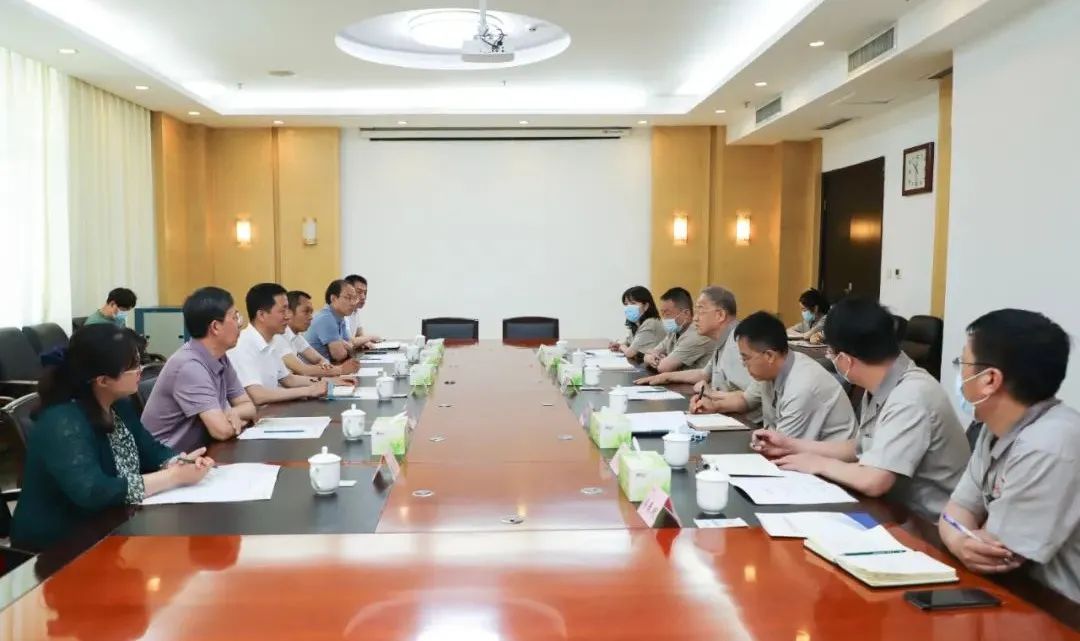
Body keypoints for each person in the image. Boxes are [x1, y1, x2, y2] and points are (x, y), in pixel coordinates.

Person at [751, 297, 969, 520]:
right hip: (891, 511)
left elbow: (874, 480)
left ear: (846, 360)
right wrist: (790, 445)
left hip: (927, 526)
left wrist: (819, 464)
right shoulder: (881, 384)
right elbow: (860, 447)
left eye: (830, 353)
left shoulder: (911, 395)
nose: (830, 358)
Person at [10, 324, 213, 551]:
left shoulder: (119, 404)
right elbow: (92, 491)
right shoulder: (62, 421)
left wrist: (178, 462)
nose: (140, 370)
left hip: (116, 522)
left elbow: (151, 450)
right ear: (102, 380)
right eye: (133, 366)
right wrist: (172, 477)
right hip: (60, 543)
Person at [939, 309, 1080, 603]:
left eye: (963, 363)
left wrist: (961, 538)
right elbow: (955, 512)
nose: (960, 373)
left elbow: (996, 555)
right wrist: (959, 542)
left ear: (990, 379)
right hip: (1018, 594)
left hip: (1060, 609)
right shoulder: (993, 426)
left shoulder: (1049, 444)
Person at [142, 287, 257, 452]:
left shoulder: (220, 357)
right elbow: (221, 431)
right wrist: (239, 418)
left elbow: (249, 406)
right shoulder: (189, 366)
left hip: (200, 452)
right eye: (235, 317)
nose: (240, 323)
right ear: (215, 327)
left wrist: (234, 413)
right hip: (169, 459)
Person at [727, 311, 855, 441]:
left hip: (829, 452)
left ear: (769, 356)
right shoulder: (771, 371)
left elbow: (780, 446)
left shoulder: (802, 387)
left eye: (746, 358)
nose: (743, 364)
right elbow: (747, 400)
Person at [228, 283, 328, 404]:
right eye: (283, 311)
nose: (288, 316)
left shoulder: (272, 340)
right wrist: (308, 391)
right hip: (258, 413)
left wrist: (328, 382)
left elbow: (289, 380)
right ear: (261, 315)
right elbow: (258, 395)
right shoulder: (242, 345)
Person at [272, 290, 360, 377]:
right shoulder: (277, 337)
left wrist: (328, 369)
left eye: (311, 312)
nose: (311, 317)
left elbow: (320, 359)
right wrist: (340, 370)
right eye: (306, 312)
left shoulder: (296, 336)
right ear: (288, 313)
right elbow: (303, 370)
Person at [641, 287, 716, 372]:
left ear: (686, 313)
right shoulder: (674, 332)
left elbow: (664, 367)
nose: (664, 318)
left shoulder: (697, 335)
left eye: (667, 314)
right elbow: (649, 354)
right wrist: (651, 357)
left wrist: (656, 358)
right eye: (662, 314)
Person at [306, 279, 356, 363]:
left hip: (330, 366)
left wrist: (343, 343)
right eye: (348, 298)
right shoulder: (326, 318)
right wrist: (344, 344)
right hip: (316, 369)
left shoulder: (340, 317)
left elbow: (350, 344)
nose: (353, 303)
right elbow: (339, 355)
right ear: (333, 299)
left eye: (354, 298)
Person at [610, 286, 664, 358]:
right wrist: (619, 345)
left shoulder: (651, 323)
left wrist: (622, 347)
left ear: (646, 306)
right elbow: (628, 343)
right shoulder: (636, 323)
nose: (629, 307)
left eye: (633, 303)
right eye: (626, 304)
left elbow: (630, 353)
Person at [344, 274, 381, 350]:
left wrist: (365, 342)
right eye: (359, 292)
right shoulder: (343, 312)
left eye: (365, 293)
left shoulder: (355, 311)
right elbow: (350, 341)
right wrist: (371, 337)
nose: (363, 297)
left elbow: (360, 335)